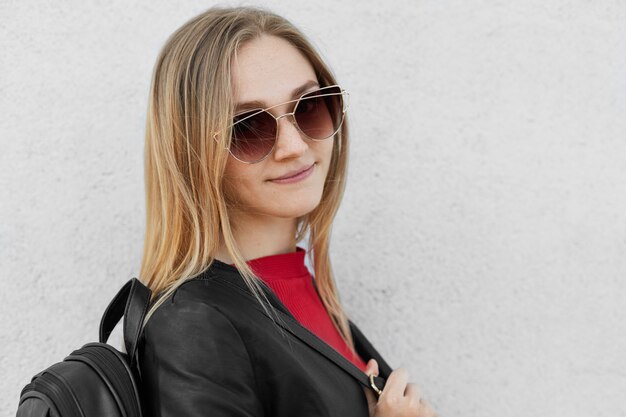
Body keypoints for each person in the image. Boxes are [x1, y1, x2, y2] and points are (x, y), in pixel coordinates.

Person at [135, 6, 438, 417]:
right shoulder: (193, 324)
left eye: (309, 106)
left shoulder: (299, 284)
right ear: (192, 154)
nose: (294, 146)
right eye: (247, 127)